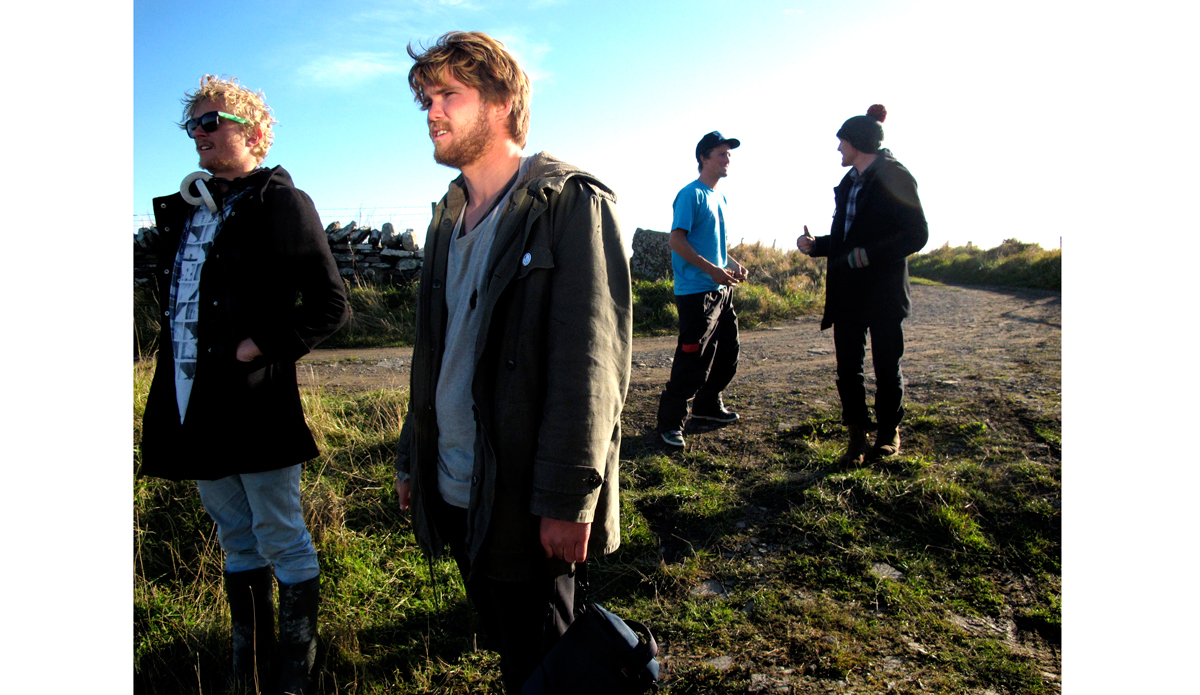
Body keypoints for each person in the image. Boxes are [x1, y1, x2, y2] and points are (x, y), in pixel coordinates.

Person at [392, 31, 632, 693]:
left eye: (449, 95)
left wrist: (566, 498)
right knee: (510, 653)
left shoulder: (569, 202)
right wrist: (415, 455)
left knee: (549, 667)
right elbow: (434, 353)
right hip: (457, 485)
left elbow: (591, 366)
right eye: (427, 100)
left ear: (500, 104)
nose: (432, 113)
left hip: (527, 501)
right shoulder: (447, 217)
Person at [139, 74, 348, 695]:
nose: (198, 134)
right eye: (192, 125)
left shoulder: (282, 202)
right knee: (233, 533)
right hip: (189, 401)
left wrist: (262, 343)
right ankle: (247, 666)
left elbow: (330, 304)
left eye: (211, 121)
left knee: (281, 532)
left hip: (255, 404)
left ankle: (295, 675)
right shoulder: (188, 211)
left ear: (252, 131)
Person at [797, 104, 928, 464]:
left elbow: (917, 234)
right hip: (848, 292)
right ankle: (857, 439)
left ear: (857, 142)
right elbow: (846, 237)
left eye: (842, 142)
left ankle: (888, 435)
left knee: (887, 365)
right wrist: (818, 246)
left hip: (883, 292)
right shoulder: (849, 182)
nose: (838, 149)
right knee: (848, 369)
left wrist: (868, 255)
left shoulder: (895, 175)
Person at [655, 131, 748, 448]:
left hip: (721, 290)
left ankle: (707, 408)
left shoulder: (719, 197)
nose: (727, 160)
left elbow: (715, 247)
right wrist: (713, 271)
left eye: (729, 155)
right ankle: (670, 423)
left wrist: (731, 264)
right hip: (696, 292)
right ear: (704, 158)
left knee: (727, 354)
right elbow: (676, 241)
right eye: (721, 154)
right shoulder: (690, 195)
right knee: (692, 360)